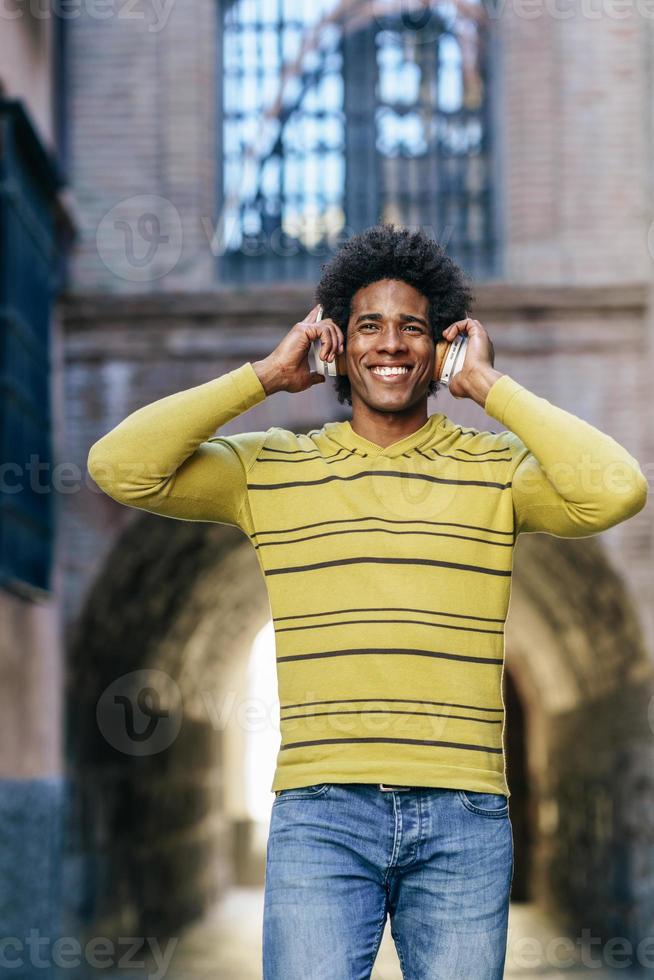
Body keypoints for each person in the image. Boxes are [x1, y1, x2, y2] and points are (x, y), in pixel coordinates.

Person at [87, 224, 648, 979]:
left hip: (464, 818)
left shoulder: (498, 469)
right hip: (322, 816)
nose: (390, 344)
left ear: (440, 346)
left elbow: (618, 489)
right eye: (369, 326)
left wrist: (487, 387)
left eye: (412, 327)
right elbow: (119, 466)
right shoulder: (269, 469)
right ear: (336, 345)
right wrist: (262, 377)